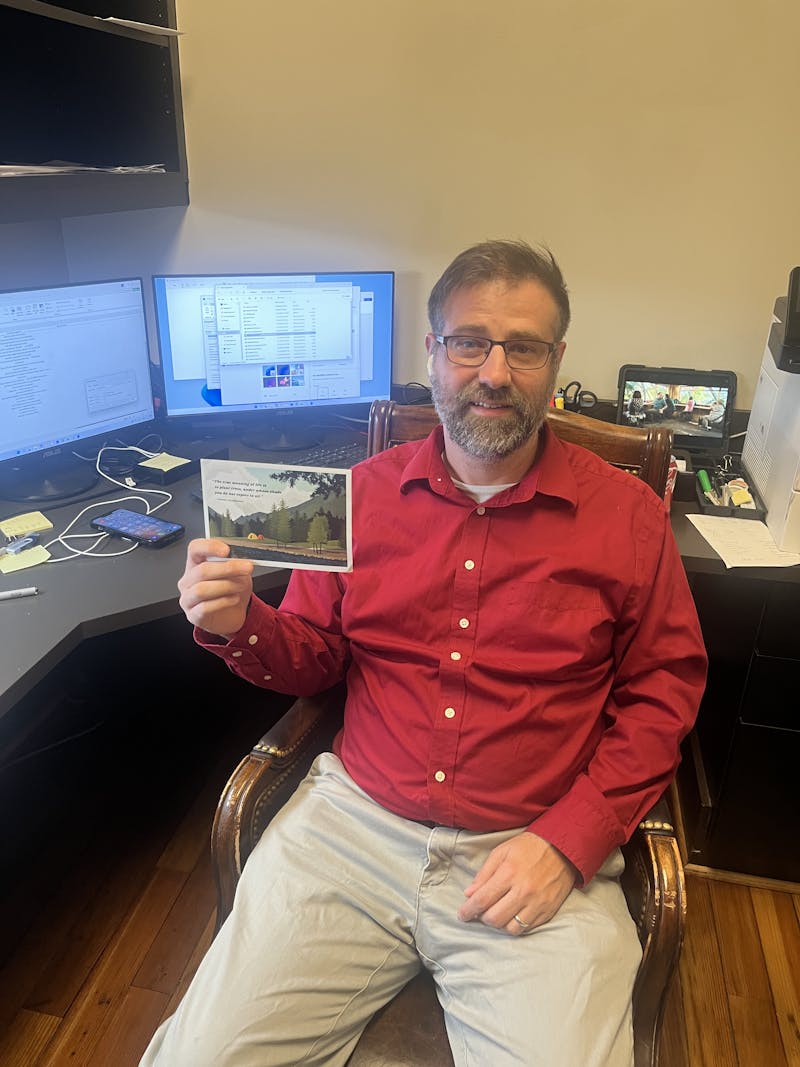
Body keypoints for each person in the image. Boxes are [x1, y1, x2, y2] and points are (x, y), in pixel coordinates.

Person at [141, 240, 707, 1067]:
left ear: (556, 363)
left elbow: (665, 692)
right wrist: (241, 625)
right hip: (351, 830)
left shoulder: (626, 519)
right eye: (470, 341)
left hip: (532, 851)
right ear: (433, 355)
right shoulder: (356, 496)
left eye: (524, 347)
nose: (494, 371)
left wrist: (570, 838)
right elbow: (314, 659)